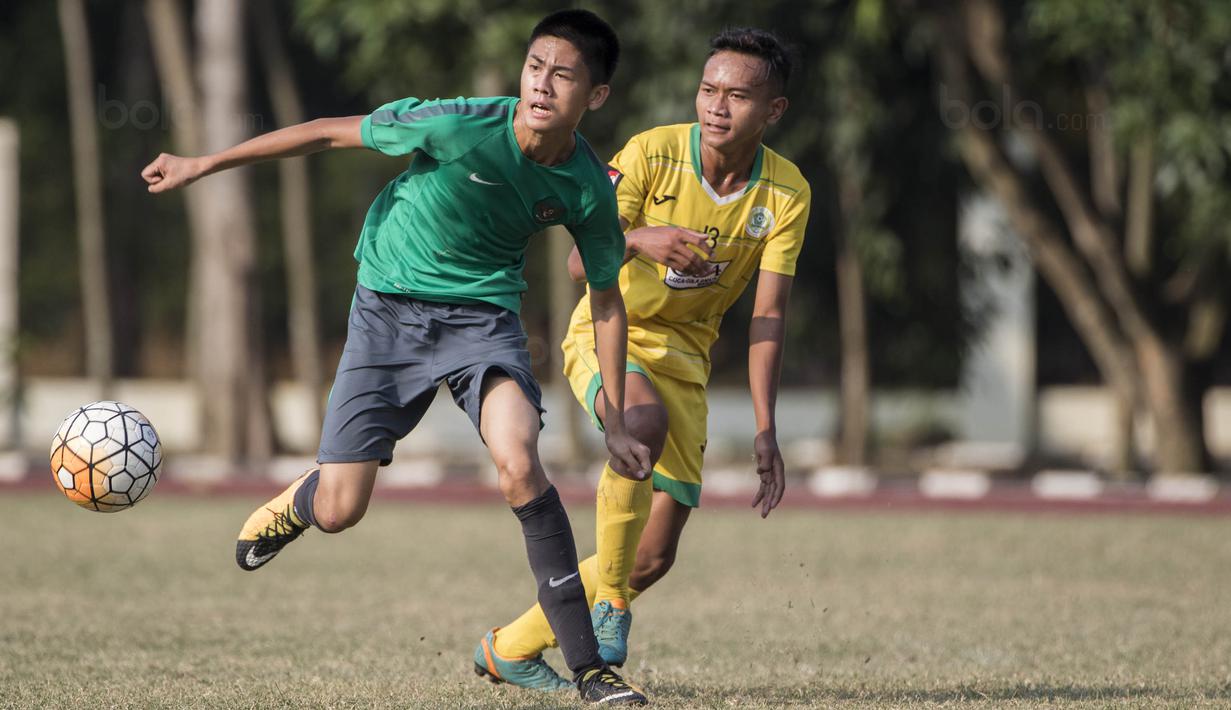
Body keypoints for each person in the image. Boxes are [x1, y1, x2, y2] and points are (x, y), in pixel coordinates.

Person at [141, 10, 651, 705]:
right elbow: (325, 133)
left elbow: (607, 300)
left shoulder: (588, 185)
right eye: (535, 67)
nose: (541, 85)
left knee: (518, 461)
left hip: (483, 321)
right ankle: (303, 500)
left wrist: (614, 422)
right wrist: (205, 162)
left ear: (594, 96)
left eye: (563, 75)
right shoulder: (458, 122)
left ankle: (590, 668)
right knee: (342, 509)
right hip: (387, 311)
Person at [473, 27, 811, 688]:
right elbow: (577, 261)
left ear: (772, 112)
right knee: (642, 429)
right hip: (609, 335)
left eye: (737, 95)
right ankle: (609, 605)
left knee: (652, 556)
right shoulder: (651, 153)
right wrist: (639, 238)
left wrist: (767, 429)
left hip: (687, 360)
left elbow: (768, 316)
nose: (716, 105)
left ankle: (507, 648)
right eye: (708, 89)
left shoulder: (786, 193)